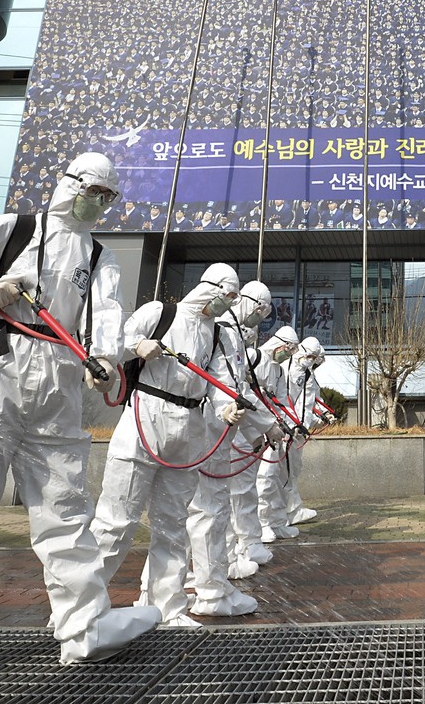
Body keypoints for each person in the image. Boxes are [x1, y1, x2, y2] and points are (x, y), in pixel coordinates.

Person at [0, 151, 157, 679]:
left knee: (67, 513)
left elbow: (108, 320)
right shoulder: (14, 228)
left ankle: (84, 624)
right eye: (92, 191)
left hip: (57, 384)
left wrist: (104, 357)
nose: (97, 203)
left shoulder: (100, 258)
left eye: (107, 197)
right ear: (68, 183)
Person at [90, 264, 240, 625]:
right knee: (116, 521)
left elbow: (220, 381)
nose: (228, 303)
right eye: (227, 294)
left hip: (188, 427)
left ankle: (167, 608)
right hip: (145, 417)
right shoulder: (160, 313)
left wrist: (227, 405)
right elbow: (111, 345)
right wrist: (136, 346)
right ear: (210, 287)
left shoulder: (216, 336)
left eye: (234, 298)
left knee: (173, 525)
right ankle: (80, 606)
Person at [183, 280, 272, 615]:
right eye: (259, 307)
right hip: (205, 430)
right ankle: (204, 587)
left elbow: (233, 388)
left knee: (213, 509)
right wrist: (266, 425)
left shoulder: (229, 331)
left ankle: (213, 580)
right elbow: (223, 386)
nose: (259, 316)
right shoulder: (215, 328)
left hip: (219, 427)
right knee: (205, 510)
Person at [228, 324, 299, 573]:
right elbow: (238, 390)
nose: (288, 354)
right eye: (288, 348)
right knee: (243, 488)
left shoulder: (279, 371)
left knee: (252, 487)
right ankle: (238, 545)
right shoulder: (253, 357)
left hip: (264, 432)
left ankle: (250, 540)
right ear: (279, 344)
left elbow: (277, 401)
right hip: (240, 431)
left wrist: (283, 425)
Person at [258, 336, 323, 540]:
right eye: (308, 355)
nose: (310, 360)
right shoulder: (264, 363)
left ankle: (278, 521)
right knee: (266, 476)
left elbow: (291, 401)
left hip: (287, 430)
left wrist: (304, 421)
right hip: (269, 429)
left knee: (284, 476)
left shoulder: (288, 371)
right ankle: (261, 524)